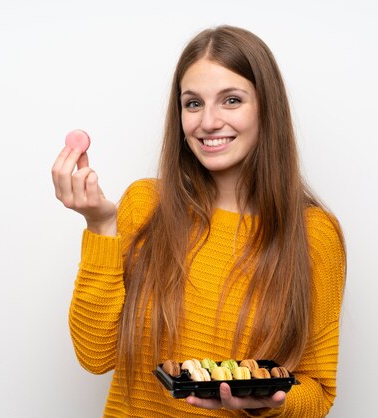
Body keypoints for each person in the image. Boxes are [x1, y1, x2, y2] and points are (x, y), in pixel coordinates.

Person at [51, 25, 346, 417]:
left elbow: (319, 393)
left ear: (267, 108)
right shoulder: (144, 204)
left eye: (231, 100)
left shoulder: (314, 236)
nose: (208, 122)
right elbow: (94, 355)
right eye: (193, 104)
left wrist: (267, 403)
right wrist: (100, 227)